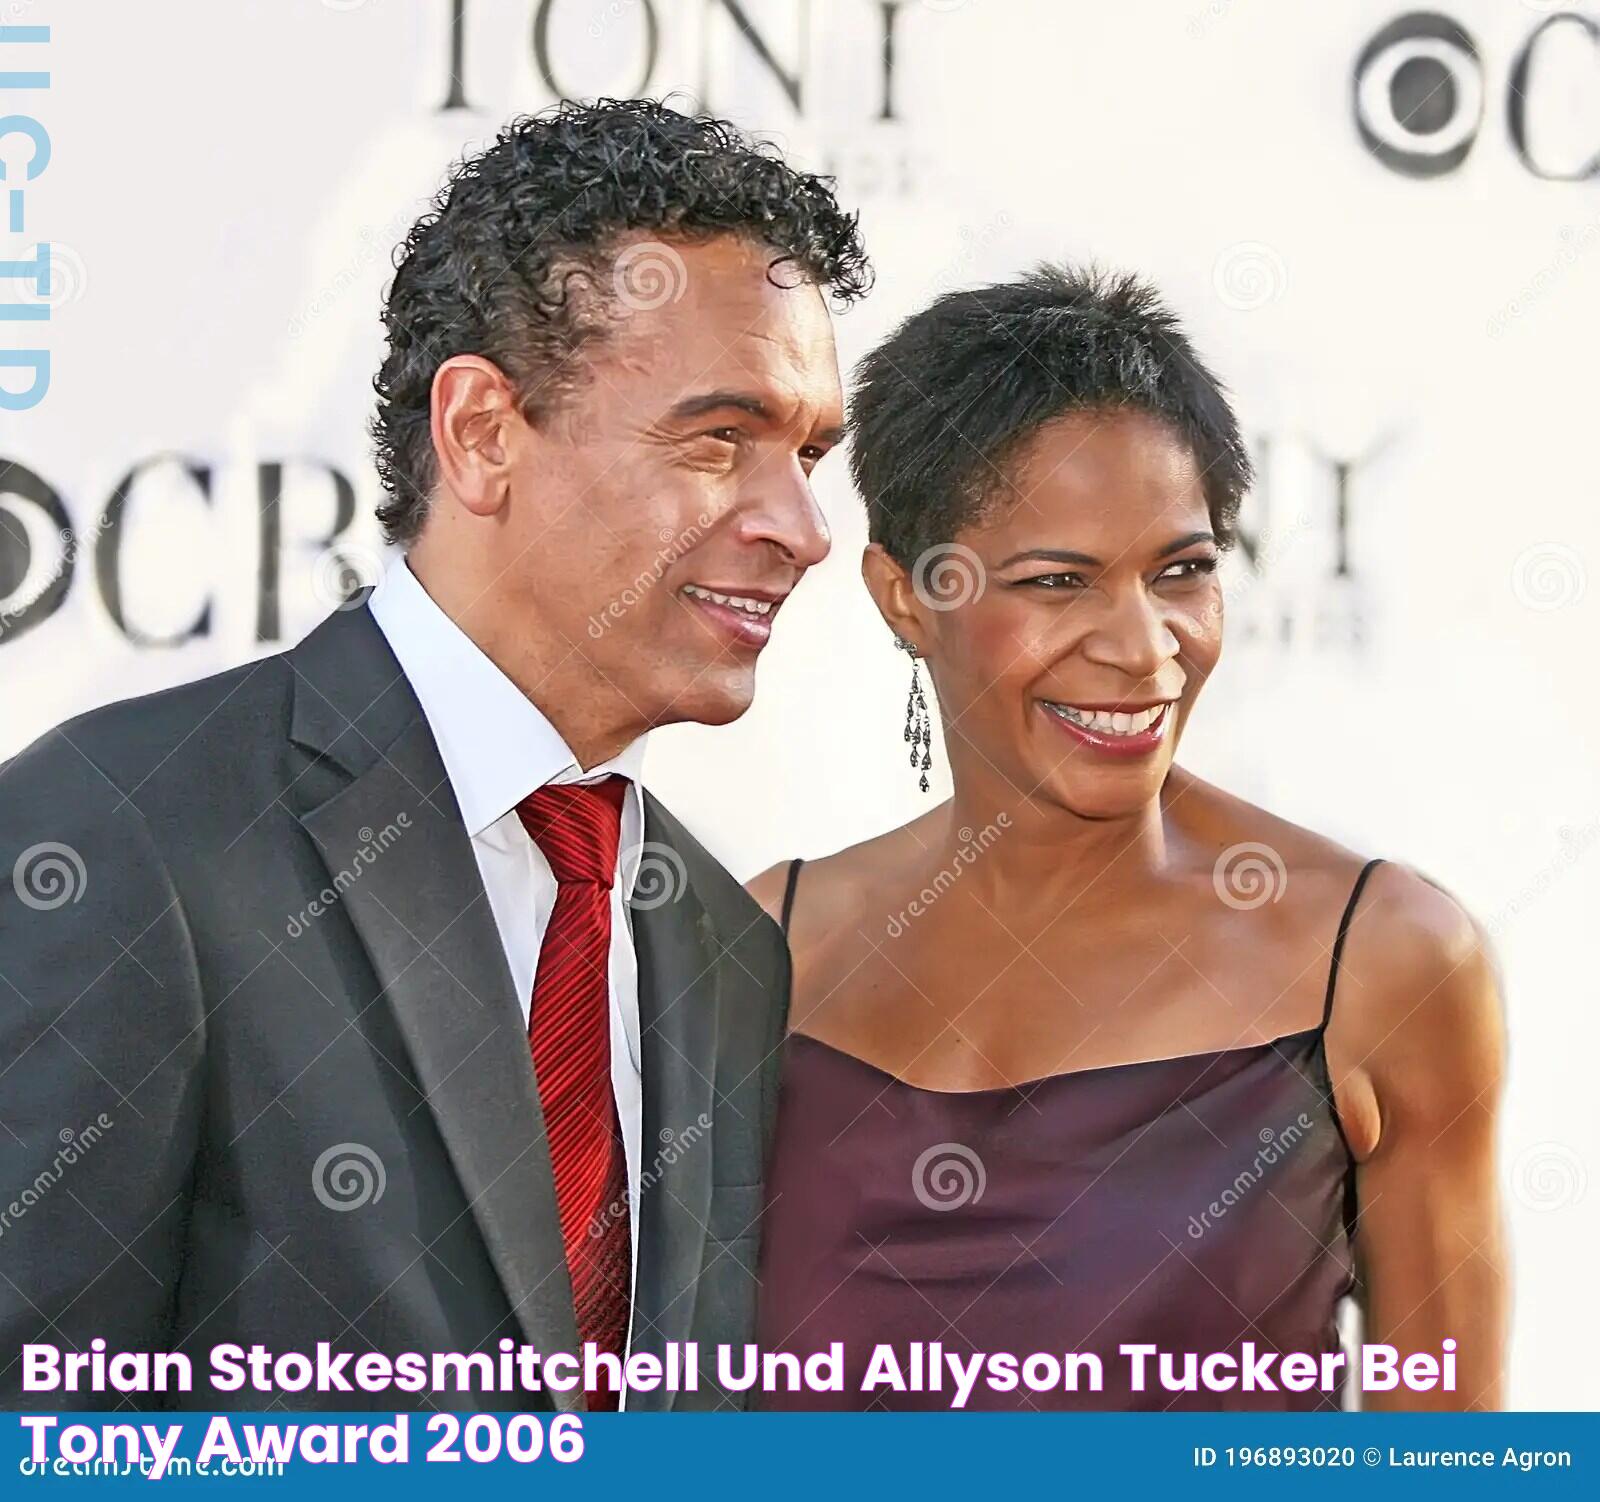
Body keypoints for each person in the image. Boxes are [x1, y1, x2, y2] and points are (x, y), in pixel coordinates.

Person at [0, 98, 867, 1412]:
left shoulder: (723, 948)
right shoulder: (131, 831)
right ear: (481, 432)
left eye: (808, 454)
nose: (802, 526)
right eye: (720, 439)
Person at [748, 264, 1508, 1411]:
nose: (1144, 648)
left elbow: (1446, 1461)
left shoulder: (1385, 958)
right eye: (1059, 582)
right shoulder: (764, 948)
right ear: (904, 595)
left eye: (1182, 571)